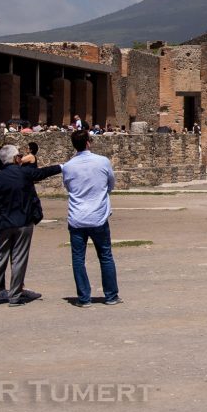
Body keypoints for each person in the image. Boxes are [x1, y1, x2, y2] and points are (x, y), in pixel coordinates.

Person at [0, 143, 61, 307]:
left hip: (3, 222)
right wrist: (61, 167)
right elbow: (42, 173)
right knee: (19, 259)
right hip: (23, 222)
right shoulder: (23, 173)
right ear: (16, 158)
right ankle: (15, 296)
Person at [61, 129, 120, 307]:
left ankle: (84, 298)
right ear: (88, 142)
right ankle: (111, 296)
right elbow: (111, 184)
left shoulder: (68, 166)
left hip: (77, 217)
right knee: (106, 256)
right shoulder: (102, 162)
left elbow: (68, 187)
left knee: (78, 259)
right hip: (98, 217)